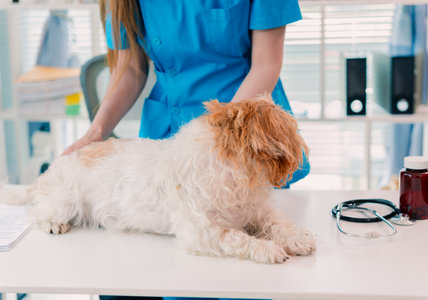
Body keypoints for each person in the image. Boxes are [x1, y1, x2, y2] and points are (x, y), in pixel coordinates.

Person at [66, 0, 310, 299]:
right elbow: (131, 69)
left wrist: (217, 138)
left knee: (253, 275)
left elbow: (266, 64)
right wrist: (96, 131)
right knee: (177, 276)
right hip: (170, 142)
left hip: (245, 137)